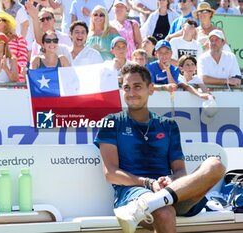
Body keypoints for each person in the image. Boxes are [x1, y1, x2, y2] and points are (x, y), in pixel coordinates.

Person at [94, 63, 225, 233]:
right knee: (164, 211)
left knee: (215, 165)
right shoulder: (111, 122)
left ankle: (154, 202)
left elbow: (180, 172)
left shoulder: (168, 125)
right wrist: (149, 183)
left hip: (172, 192)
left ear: (151, 89)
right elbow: (111, 174)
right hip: (132, 195)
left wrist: (170, 180)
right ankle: (150, 203)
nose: (131, 93)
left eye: (137, 87)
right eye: (126, 88)